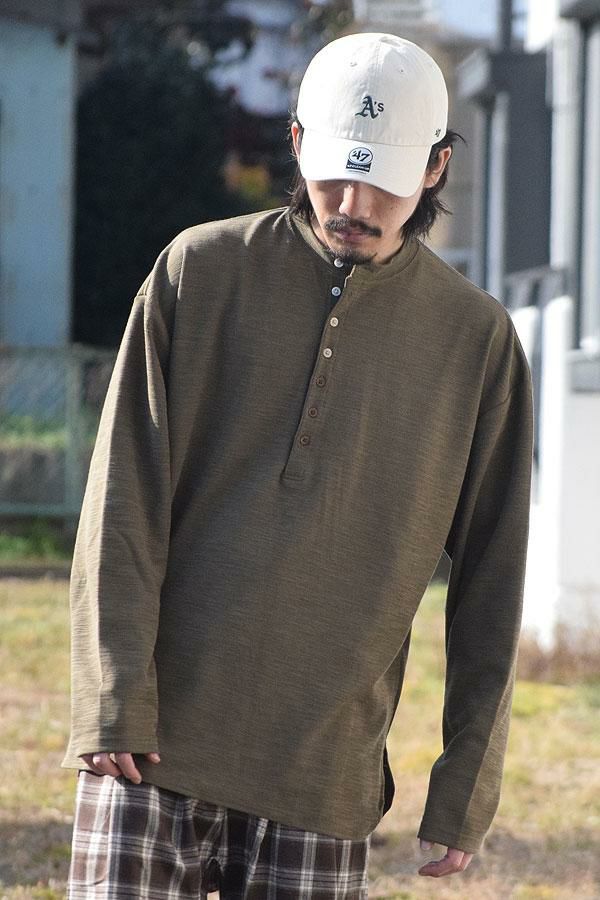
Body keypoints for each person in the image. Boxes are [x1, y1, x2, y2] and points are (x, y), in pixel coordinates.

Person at [62, 31, 534, 898]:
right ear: (296, 143)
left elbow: (493, 580)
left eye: (383, 178)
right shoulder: (198, 271)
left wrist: (466, 780)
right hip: (150, 746)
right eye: (333, 173)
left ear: (436, 167)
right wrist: (111, 694)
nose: (353, 202)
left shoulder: (476, 341)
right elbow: (122, 496)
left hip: (323, 771)